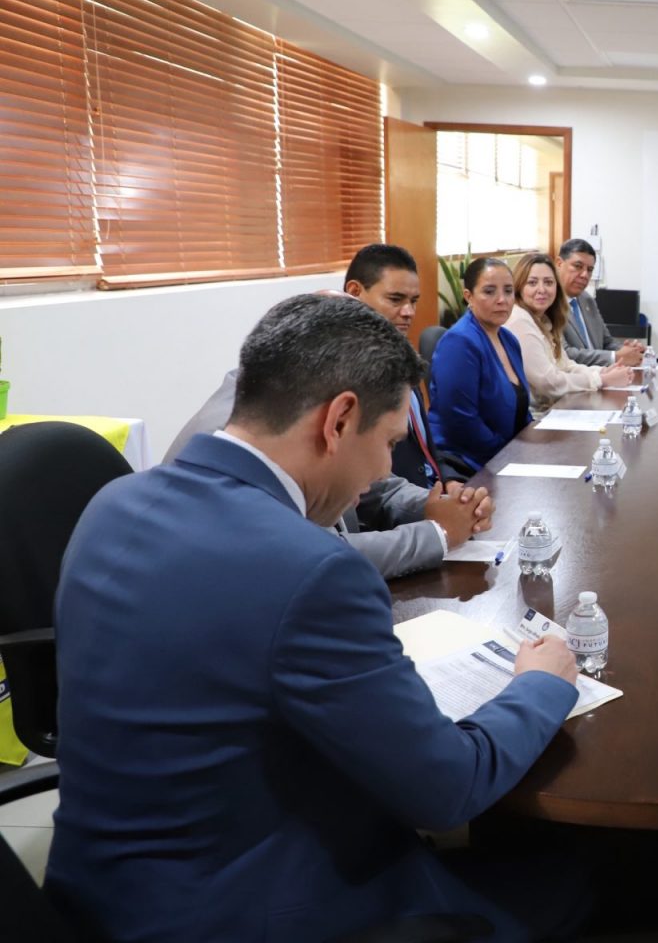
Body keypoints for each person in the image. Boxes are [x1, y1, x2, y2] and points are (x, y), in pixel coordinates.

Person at [47, 294, 586, 942]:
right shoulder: (312, 570)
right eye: (388, 443)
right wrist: (540, 683)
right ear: (339, 420)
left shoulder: (112, 502)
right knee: (577, 878)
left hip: (95, 891)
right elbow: (448, 789)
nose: (384, 471)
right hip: (237, 911)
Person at [164, 283, 491, 582]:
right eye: (389, 442)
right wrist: (439, 533)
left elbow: (377, 488)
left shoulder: (296, 400)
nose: (384, 465)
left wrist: (446, 506)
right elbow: (315, 555)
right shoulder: (241, 440)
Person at [340, 243, 462, 487]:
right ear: (354, 292)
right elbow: (364, 478)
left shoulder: (402, 356)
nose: (409, 312)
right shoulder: (342, 371)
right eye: (395, 299)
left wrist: (449, 481)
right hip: (397, 503)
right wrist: (427, 500)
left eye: (413, 301)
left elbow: (425, 448)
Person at [428, 257, 532, 471]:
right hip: (467, 462)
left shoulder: (509, 339)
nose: (502, 300)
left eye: (508, 291)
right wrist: (509, 454)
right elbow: (461, 420)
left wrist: (531, 442)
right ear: (469, 296)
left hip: (506, 456)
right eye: (489, 291)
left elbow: (521, 409)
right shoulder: (459, 342)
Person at [507, 251, 632, 411]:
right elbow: (549, 383)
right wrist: (601, 380)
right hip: (534, 417)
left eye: (548, 282)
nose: (542, 289)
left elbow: (565, 365)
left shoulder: (544, 319)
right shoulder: (519, 319)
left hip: (554, 408)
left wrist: (603, 371)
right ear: (519, 287)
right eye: (532, 283)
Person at [556, 237, 645, 367]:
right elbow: (565, 354)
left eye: (589, 270)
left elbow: (607, 343)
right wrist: (615, 356)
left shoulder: (587, 299)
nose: (584, 275)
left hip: (603, 373)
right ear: (559, 263)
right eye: (578, 266)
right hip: (576, 376)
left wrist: (629, 351)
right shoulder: (548, 303)